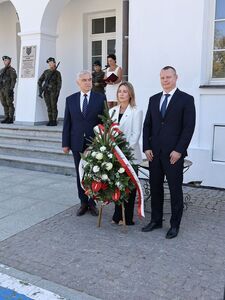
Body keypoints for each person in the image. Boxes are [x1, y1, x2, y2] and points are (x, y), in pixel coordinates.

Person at [142, 66, 196, 239]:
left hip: (174, 154)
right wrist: (146, 147)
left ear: (176, 77)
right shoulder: (153, 99)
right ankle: (156, 220)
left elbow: (188, 128)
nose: (165, 80)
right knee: (156, 188)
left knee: (175, 190)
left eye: (168, 77)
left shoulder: (186, 99)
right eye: (162, 77)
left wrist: (179, 150)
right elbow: (147, 125)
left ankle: (174, 225)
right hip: (154, 153)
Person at [62, 70, 106, 217]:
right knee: (80, 174)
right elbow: (67, 124)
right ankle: (83, 202)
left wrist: (102, 142)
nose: (88, 82)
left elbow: (104, 122)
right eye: (84, 80)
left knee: (93, 173)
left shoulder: (100, 98)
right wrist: (65, 143)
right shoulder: (70, 100)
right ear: (78, 82)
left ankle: (92, 202)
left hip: (94, 144)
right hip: (76, 143)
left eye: (89, 80)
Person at [109, 81, 143, 225]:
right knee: (117, 185)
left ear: (130, 94)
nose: (121, 94)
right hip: (115, 155)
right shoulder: (112, 111)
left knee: (129, 187)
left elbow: (135, 136)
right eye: (120, 91)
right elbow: (109, 132)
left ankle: (127, 218)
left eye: (125, 91)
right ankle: (117, 216)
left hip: (130, 156)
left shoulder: (136, 111)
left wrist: (123, 152)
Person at [38, 57, 62, 126]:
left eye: (51, 62)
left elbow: (59, 84)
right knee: (48, 106)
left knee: (53, 106)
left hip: (53, 92)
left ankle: (54, 121)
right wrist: (40, 88)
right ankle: (50, 120)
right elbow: (40, 80)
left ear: (54, 63)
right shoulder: (46, 72)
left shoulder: (57, 73)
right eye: (49, 63)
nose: (50, 64)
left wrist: (57, 93)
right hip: (46, 92)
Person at [0, 56, 17, 124]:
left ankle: (11, 117)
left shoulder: (12, 70)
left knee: (9, 103)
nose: (5, 61)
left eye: (6, 60)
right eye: (4, 60)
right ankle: (6, 117)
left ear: (9, 61)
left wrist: (11, 88)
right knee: (4, 103)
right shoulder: (1, 70)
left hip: (8, 89)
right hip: (2, 90)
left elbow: (13, 80)